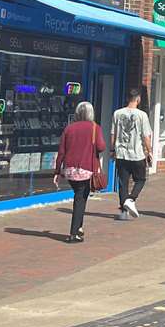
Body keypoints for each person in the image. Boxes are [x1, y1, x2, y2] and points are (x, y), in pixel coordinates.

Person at [54, 102, 105, 244]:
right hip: (86, 168)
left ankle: (79, 227)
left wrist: (57, 171)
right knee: (80, 198)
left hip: (70, 169)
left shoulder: (69, 128)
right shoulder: (95, 128)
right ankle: (73, 233)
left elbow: (61, 151)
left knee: (80, 197)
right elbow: (101, 146)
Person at [110, 88, 152, 220]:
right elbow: (146, 136)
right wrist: (149, 150)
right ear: (138, 99)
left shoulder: (117, 113)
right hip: (137, 154)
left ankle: (123, 212)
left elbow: (113, 133)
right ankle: (131, 199)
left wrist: (112, 150)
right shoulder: (142, 115)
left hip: (121, 153)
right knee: (140, 179)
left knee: (123, 182)